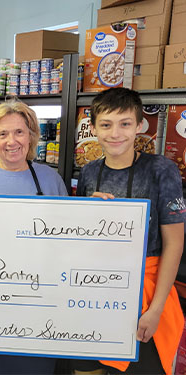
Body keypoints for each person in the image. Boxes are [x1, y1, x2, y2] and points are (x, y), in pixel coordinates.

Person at [73, 87, 185, 375]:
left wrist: (156, 309)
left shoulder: (162, 170)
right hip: (94, 291)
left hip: (146, 296)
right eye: (106, 125)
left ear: (138, 126)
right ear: (94, 128)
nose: (115, 134)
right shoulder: (88, 172)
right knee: (88, 368)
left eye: (125, 124)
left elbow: (174, 244)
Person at [0, 100, 67, 374]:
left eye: (19, 132)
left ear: (32, 136)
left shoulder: (50, 179)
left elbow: (66, 238)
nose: (11, 141)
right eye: (3, 134)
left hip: (36, 300)